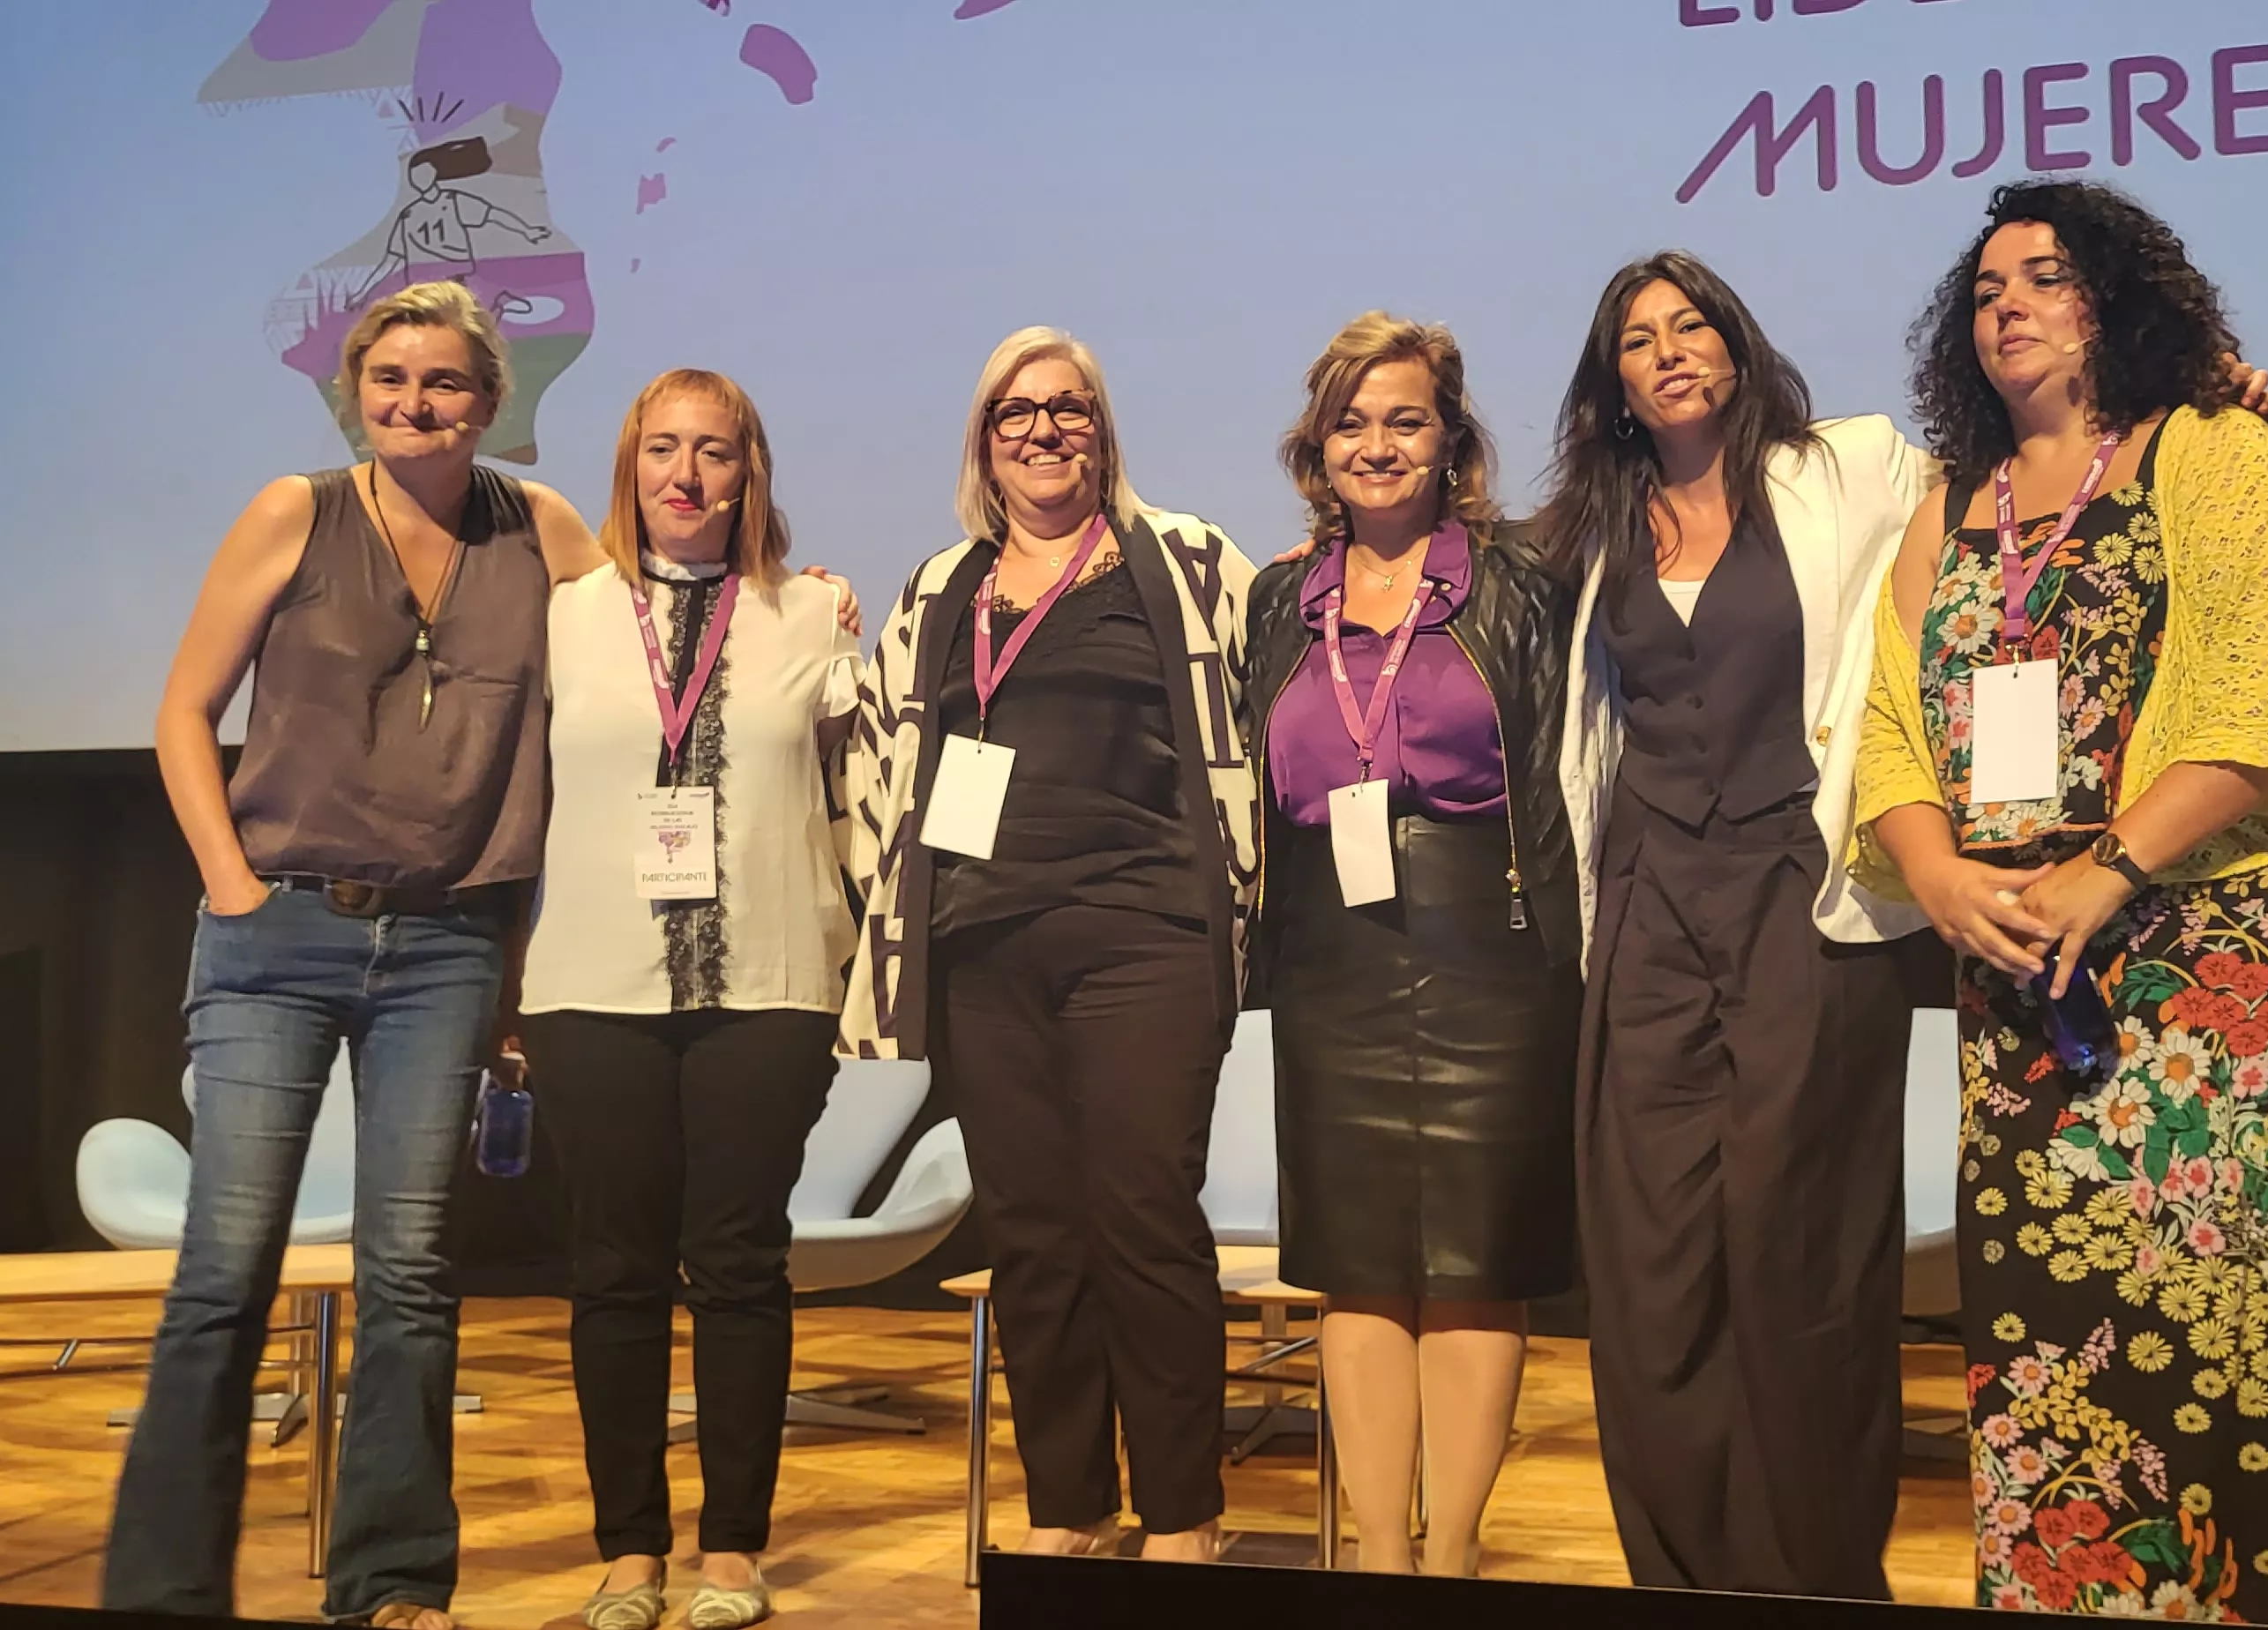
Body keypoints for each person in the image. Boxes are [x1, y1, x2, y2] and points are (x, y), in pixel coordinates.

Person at [1847, 179, 2268, 1624]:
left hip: (2229, 970)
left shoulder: (2216, 453)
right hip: (2027, 971)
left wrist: (2110, 869)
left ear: (2120, 302)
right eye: (1985, 291)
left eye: (2047, 277)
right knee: (2063, 1351)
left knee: (2260, 1327)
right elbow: (1888, 730)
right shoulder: (1946, 509)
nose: (2010, 306)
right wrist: (1932, 868)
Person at [114, 280, 598, 1628]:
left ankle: (388, 1585)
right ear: (356, 391)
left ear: (491, 401)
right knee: (226, 1270)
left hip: (447, 945)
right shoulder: (297, 511)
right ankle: (161, 1592)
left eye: (442, 382)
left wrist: (812, 593)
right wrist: (233, 888)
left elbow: (660, 647)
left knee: (410, 1273)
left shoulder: (539, 525)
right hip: (280, 928)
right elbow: (182, 709)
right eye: (388, 380)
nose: (414, 404)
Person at [1535, 250, 1946, 1601]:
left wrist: (2206, 400)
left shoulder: (1851, 468)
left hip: (1802, 896)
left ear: (1736, 341)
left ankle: (1818, 1573)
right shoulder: (1598, 532)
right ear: (1616, 384)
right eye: (1640, 337)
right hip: (1652, 909)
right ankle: (1683, 1571)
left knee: (1796, 1248)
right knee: (1650, 1256)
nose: (1670, 349)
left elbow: (2018, 484)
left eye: (1692, 323)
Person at [840, 327, 1259, 1564]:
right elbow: (872, 755)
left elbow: (1273, 672)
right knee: (1031, 1232)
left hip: (1147, 940)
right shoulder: (937, 593)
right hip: (985, 953)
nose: (1044, 431)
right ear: (985, 441)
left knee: (1144, 1215)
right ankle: (1072, 1509)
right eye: (1017, 414)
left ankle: (1184, 1516)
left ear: (1103, 429)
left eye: (1069, 409)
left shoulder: (1181, 561)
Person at [518, 370, 868, 1630]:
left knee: (737, 1266)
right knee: (613, 1270)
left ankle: (731, 1548)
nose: (686, 474)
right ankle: (628, 1550)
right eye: (662, 449)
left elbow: (870, 778)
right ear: (628, 467)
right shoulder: (561, 615)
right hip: (590, 988)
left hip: (770, 986)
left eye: (713, 452)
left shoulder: (816, 612)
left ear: (749, 471)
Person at [1238, 314, 1577, 1575]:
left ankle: (1453, 1563)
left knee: (1478, 1266)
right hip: (1332, 951)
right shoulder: (1282, 597)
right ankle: (1378, 1562)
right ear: (1317, 446)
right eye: (1352, 421)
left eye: (1405, 419)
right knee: (1358, 1267)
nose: (1376, 444)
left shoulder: (1521, 581)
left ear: (1451, 442)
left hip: (1490, 947)